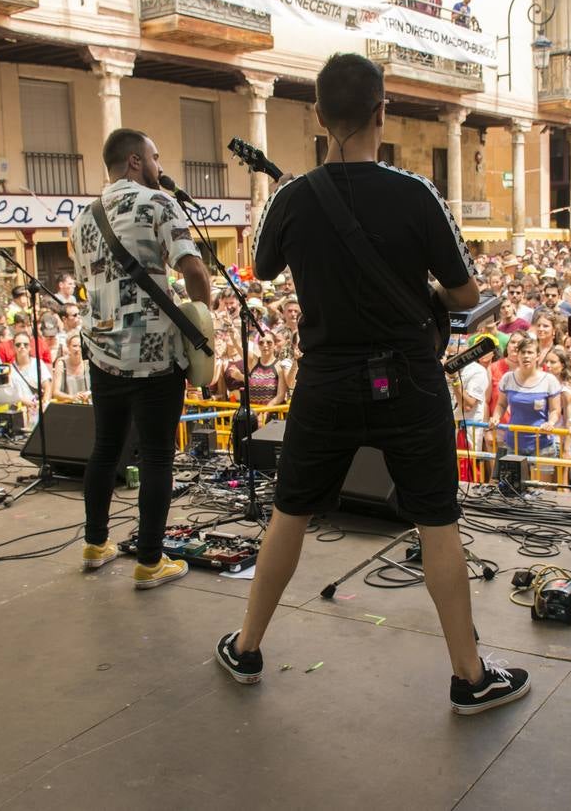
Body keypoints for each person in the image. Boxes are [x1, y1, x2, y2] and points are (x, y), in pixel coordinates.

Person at [215, 53, 531, 714]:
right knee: (437, 524)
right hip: (409, 379)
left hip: (326, 380)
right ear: (383, 112)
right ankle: (469, 677)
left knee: (289, 513)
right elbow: (468, 293)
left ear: (319, 118)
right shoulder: (417, 195)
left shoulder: (292, 199)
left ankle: (247, 647)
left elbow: (263, 270)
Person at [71, 128, 213, 588]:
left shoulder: (82, 220)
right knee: (156, 456)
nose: (159, 164)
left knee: (104, 448)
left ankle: (95, 545)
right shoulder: (158, 202)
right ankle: (150, 561)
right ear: (135, 161)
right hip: (154, 354)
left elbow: (88, 284)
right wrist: (202, 323)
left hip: (102, 351)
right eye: (155, 156)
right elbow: (192, 269)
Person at [489, 334, 563, 458]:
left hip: (542, 444)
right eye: (523, 352)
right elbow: (501, 404)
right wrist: (496, 417)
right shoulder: (508, 378)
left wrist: (551, 422)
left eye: (530, 352)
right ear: (517, 355)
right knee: (511, 478)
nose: (526, 356)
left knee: (539, 479)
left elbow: (555, 410)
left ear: (538, 356)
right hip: (513, 442)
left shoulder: (549, 380)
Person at [52, 334, 90, 403]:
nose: (77, 349)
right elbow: (55, 392)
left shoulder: (88, 364)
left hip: (86, 405)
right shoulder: (61, 364)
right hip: (68, 405)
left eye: (80, 346)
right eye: (74, 346)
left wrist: (88, 394)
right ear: (68, 347)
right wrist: (72, 397)